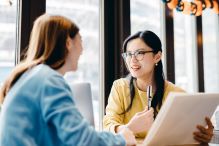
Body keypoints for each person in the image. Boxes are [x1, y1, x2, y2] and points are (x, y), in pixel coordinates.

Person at [0, 14, 137, 146]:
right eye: (80, 40)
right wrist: (121, 139)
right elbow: (84, 141)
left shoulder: (35, 76)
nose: (82, 50)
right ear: (68, 43)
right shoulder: (49, 81)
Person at [103, 30, 214, 143]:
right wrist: (130, 127)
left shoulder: (176, 94)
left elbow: (191, 132)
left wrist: (204, 134)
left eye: (139, 53)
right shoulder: (120, 87)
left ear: (157, 57)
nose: (132, 60)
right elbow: (108, 124)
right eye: (128, 54)